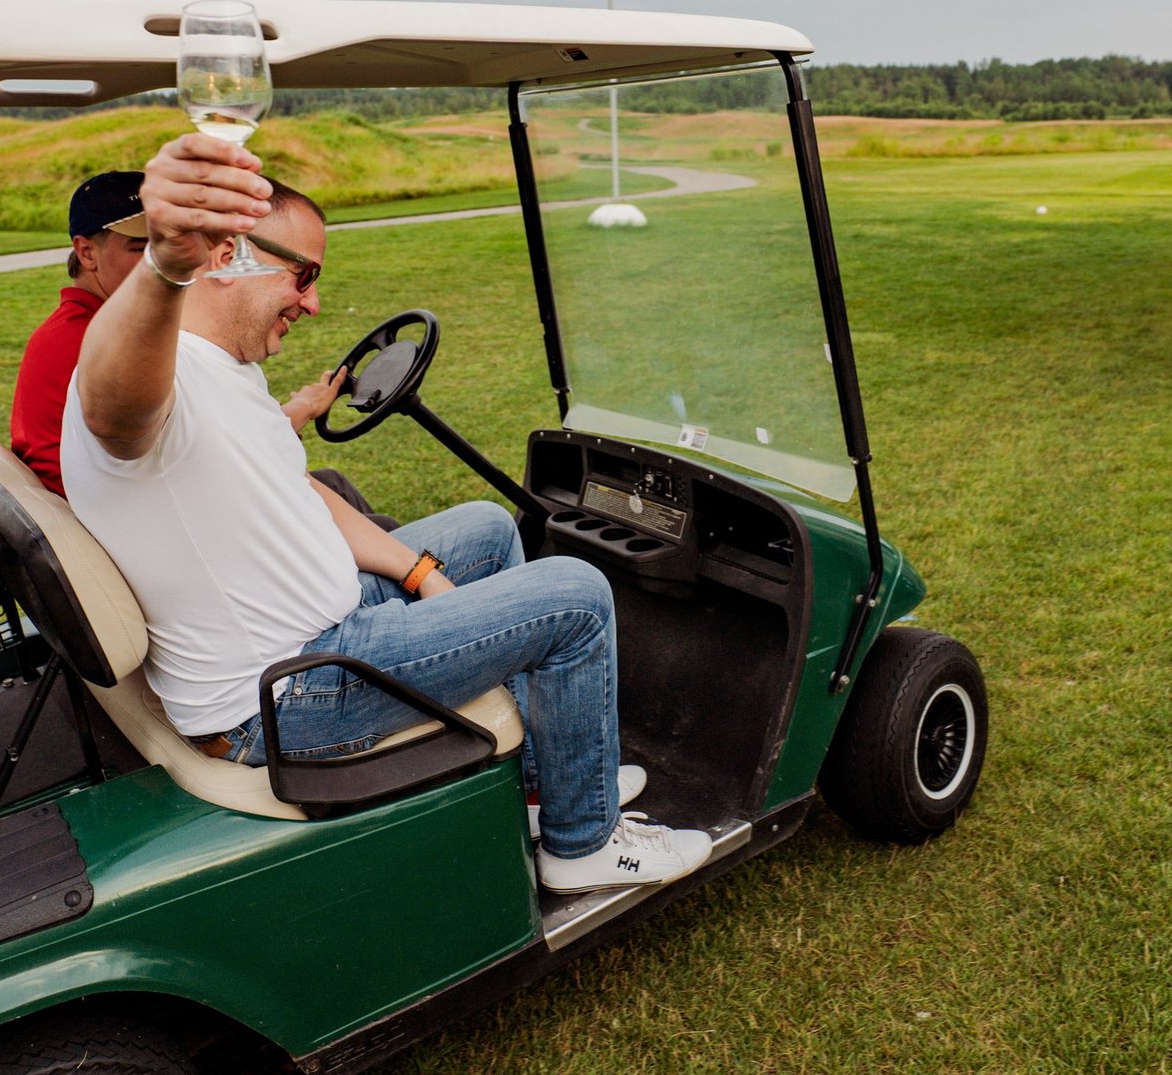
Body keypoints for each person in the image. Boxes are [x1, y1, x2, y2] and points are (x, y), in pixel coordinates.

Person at [58, 131, 712, 892]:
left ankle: (544, 787)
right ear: (226, 254)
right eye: (302, 276)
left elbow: (301, 493)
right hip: (286, 696)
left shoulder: (223, 367)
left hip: (313, 637)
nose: (313, 301)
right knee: (578, 596)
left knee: (487, 527)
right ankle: (580, 844)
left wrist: (419, 567)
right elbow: (116, 409)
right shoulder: (151, 381)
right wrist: (163, 264)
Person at [10, 172, 152, 496]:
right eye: (141, 248)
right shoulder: (97, 341)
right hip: (93, 519)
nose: (162, 264)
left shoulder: (81, 327)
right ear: (87, 253)